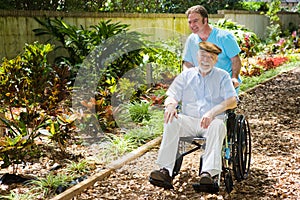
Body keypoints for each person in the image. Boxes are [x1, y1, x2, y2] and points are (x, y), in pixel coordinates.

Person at [149, 41, 238, 189]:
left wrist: (212, 112)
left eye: (210, 57)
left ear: (215, 60)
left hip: (212, 122)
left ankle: (208, 174)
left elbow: (232, 101)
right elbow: (171, 96)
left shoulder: (222, 76)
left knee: (217, 125)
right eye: (203, 56)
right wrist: (171, 105)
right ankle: (165, 171)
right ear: (197, 56)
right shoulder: (186, 76)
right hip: (189, 121)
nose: (205, 60)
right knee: (171, 121)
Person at [182, 5, 242, 90]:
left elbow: (235, 59)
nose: (192, 25)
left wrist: (234, 77)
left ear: (205, 20)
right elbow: (188, 63)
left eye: (195, 21)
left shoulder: (224, 37)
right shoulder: (191, 40)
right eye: (190, 22)